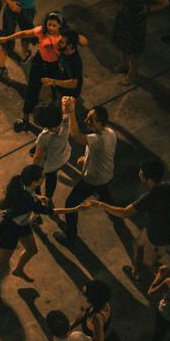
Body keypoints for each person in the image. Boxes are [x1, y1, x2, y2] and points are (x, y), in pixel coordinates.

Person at [0, 164, 89, 290]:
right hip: (9, 227)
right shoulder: (28, 201)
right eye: (42, 177)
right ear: (35, 181)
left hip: (22, 224)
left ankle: (18, 270)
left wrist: (38, 197)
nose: (44, 178)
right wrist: (75, 209)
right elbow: (52, 211)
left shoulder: (19, 180)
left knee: (32, 250)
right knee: (2, 260)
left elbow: (28, 193)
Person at [94, 160, 170, 281]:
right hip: (169, 231)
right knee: (137, 244)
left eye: (141, 171)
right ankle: (136, 270)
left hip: (157, 239)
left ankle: (158, 279)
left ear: (147, 177)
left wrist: (101, 204)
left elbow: (124, 213)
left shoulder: (149, 198)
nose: (139, 173)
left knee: (151, 264)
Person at [53, 97, 116, 248]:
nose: (87, 121)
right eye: (88, 117)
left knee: (70, 204)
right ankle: (114, 212)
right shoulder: (110, 132)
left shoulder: (97, 138)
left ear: (101, 123)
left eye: (91, 120)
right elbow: (98, 150)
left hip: (92, 179)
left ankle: (70, 237)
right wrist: (86, 158)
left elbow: (75, 135)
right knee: (104, 192)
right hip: (106, 174)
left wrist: (70, 111)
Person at [0, 11, 65, 131]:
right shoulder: (42, 31)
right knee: (32, 91)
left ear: (60, 25)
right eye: (49, 24)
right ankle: (25, 119)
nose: (51, 27)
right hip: (39, 64)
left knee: (59, 92)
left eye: (54, 25)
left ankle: (58, 120)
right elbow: (24, 33)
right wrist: (7, 38)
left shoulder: (64, 37)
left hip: (54, 66)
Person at [109, 0, 169, 85]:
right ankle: (124, 65)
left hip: (135, 22)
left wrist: (149, 9)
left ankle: (132, 74)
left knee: (133, 51)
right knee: (122, 43)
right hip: (123, 16)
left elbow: (165, 2)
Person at [30, 103, 70, 203]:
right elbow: (67, 113)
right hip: (63, 157)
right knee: (52, 178)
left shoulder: (43, 137)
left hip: (49, 164)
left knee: (37, 180)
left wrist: (33, 169)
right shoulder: (66, 123)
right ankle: (49, 198)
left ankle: (38, 197)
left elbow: (38, 156)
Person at [51, 29, 84, 100]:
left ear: (69, 46)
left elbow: (73, 84)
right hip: (60, 86)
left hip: (69, 93)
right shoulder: (65, 51)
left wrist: (54, 82)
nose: (58, 43)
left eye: (61, 42)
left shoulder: (75, 63)